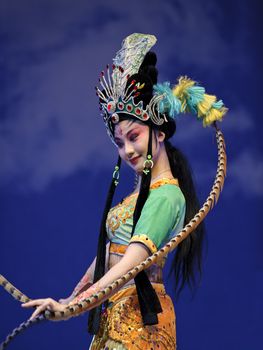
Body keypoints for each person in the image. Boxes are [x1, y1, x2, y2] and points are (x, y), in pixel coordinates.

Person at [22, 33, 227, 349]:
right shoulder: (138, 197)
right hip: (114, 319)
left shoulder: (167, 196)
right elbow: (109, 256)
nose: (127, 149)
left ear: (158, 133)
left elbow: (131, 262)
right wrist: (67, 300)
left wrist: (72, 307)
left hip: (138, 330)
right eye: (119, 142)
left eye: (134, 136)